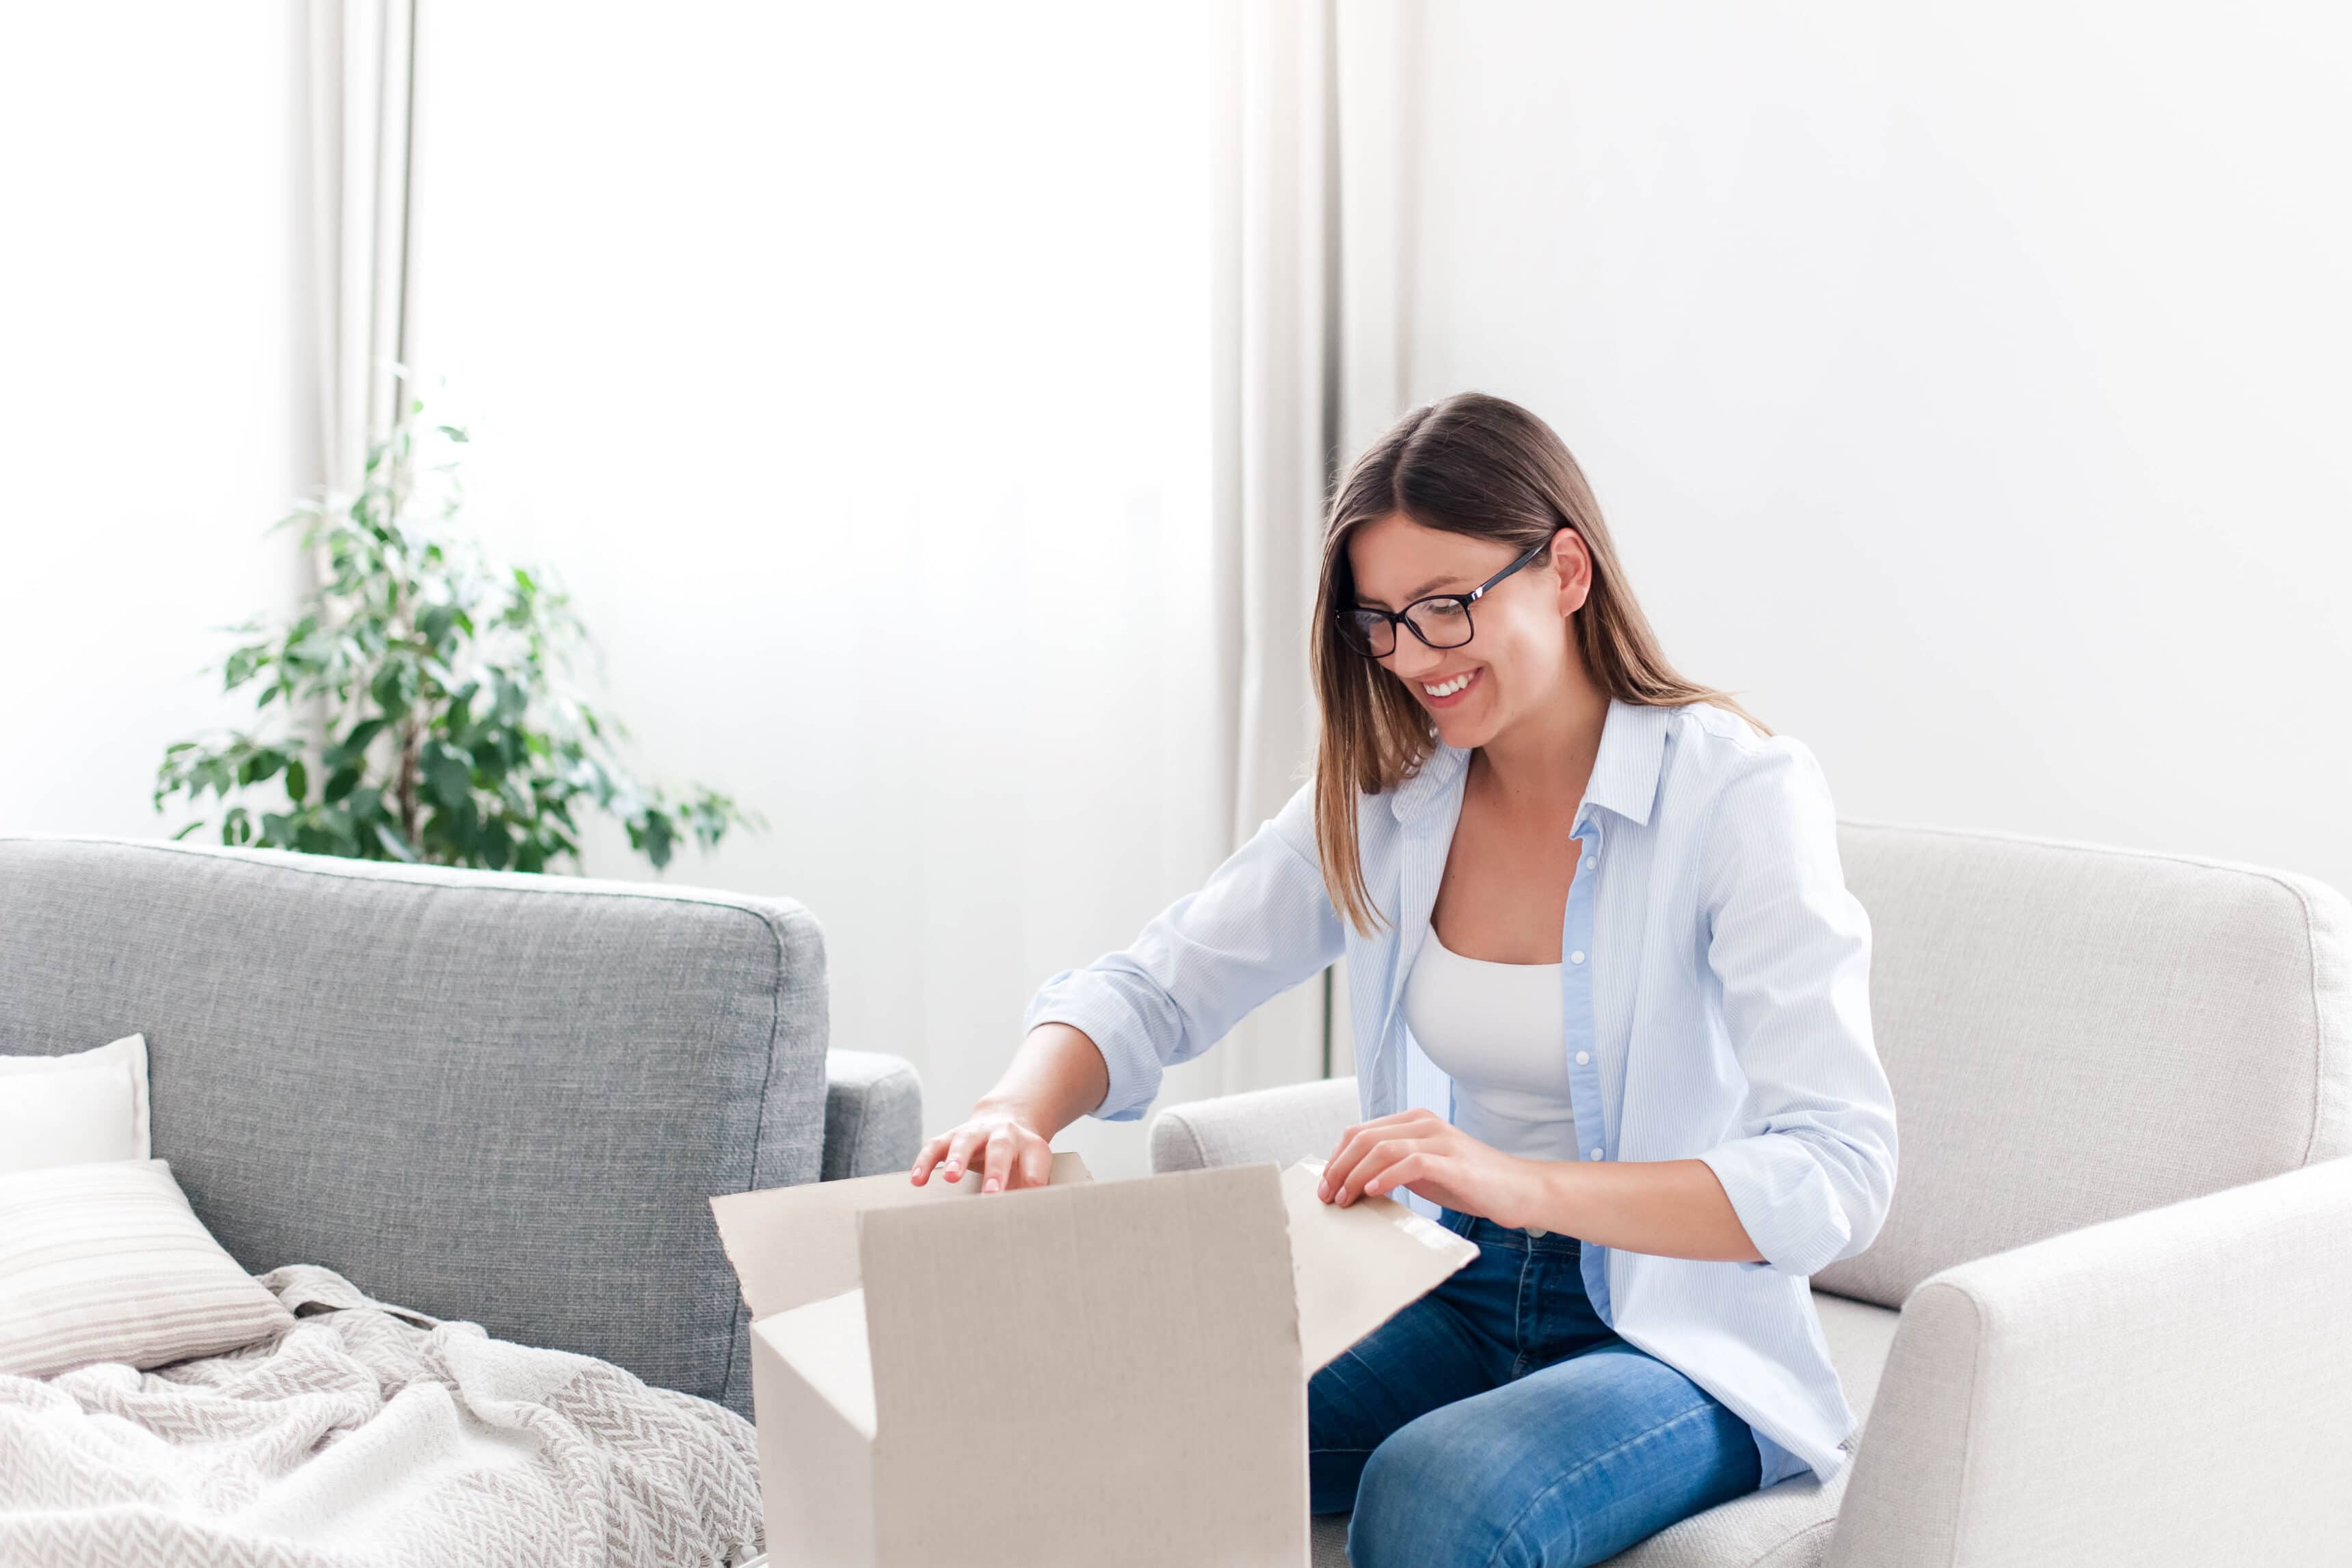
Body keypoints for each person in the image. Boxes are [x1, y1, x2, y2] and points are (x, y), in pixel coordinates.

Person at [911, 391, 1898, 1568]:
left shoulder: (1737, 797)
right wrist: (1013, 1108)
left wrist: (1522, 1182)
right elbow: (1161, 982)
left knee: (1435, 1491)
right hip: (1453, 1280)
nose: (1414, 657)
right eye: (1381, 621)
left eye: (1447, 607)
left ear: (1566, 570)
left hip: (1673, 1331)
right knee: (1126, 1420)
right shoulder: (1393, 796)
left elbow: (1840, 1170)